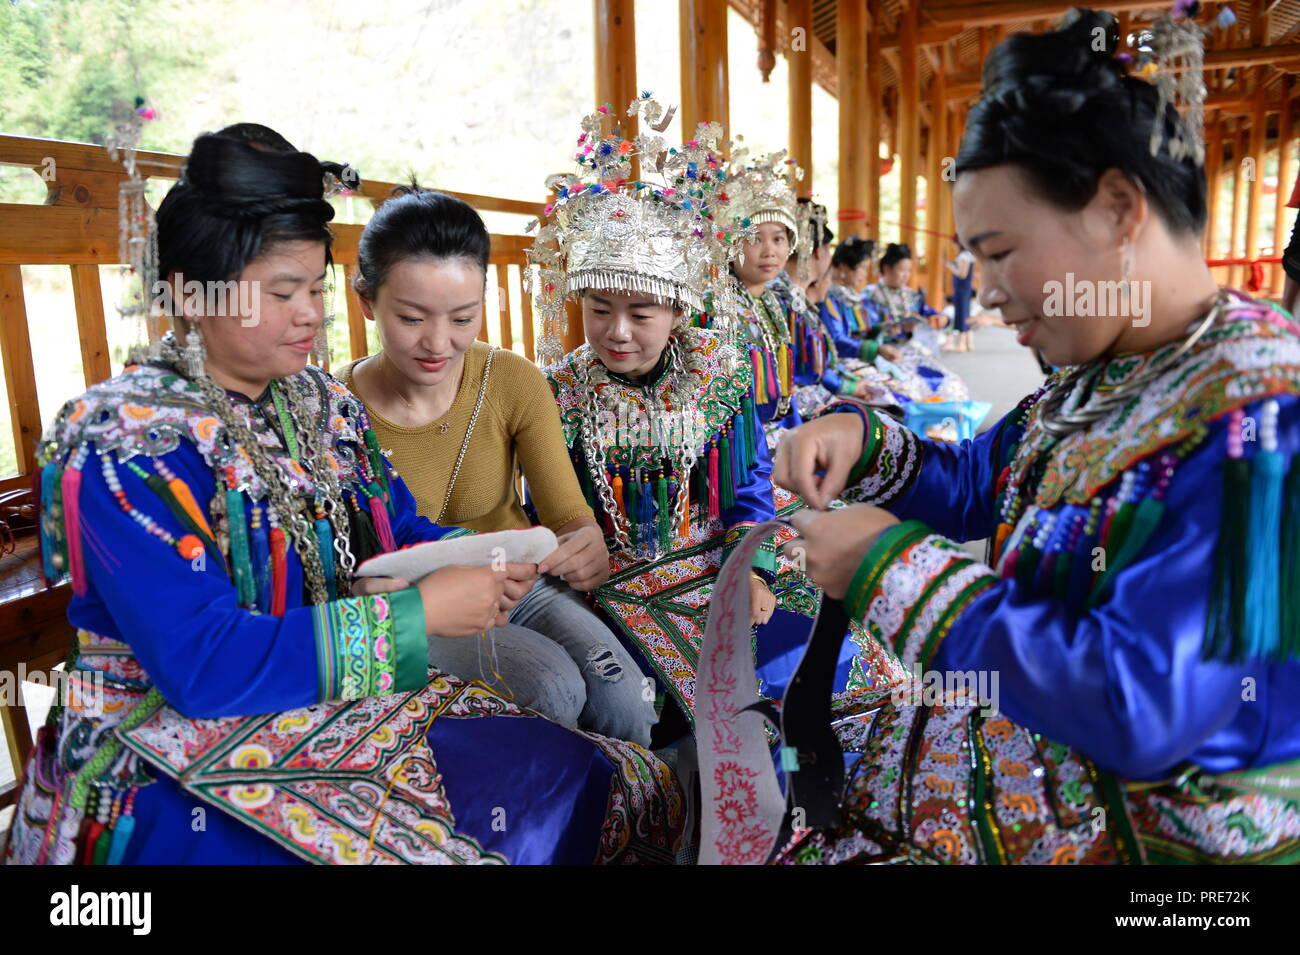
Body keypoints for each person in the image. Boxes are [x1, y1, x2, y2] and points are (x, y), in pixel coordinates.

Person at [3, 125, 682, 866]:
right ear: (184, 295)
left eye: (314, 288)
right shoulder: (122, 441)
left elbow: (391, 526)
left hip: (332, 693)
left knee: (586, 776)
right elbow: (199, 665)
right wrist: (416, 618)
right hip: (165, 732)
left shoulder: (320, 404)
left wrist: (479, 557)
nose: (307, 314)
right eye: (280, 292)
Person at [769, 9, 1300, 865]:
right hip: (1041, 766)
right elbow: (982, 483)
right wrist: (863, 440)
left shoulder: (1264, 417)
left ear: (1119, 207)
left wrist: (890, 568)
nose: (986, 293)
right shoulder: (1106, 367)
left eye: (1000, 251)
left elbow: (1144, 708)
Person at [531, 101, 900, 737]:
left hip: (718, 551)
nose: (617, 333)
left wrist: (752, 567)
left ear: (679, 311)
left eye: (642, 313)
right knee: (723, 703)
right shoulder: (556, 391)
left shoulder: (718, 377)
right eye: (598, 309)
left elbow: (747, 486)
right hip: (615, 579)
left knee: (835, 637)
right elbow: (550, 510)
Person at [337, 185, 655, 747]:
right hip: (417, 603)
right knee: (552, 688)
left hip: (518, 582)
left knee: (627, 698)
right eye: (412, 318)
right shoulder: (336, 409)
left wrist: (584, 544)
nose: (440, 342)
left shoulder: (510, 380)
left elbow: (568, 515)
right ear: (367, 301)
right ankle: (548, 826)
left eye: (463, 317)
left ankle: (632, 827)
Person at [944, 237, 976, 352]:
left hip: (962, 289)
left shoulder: (964, 256)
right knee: (966, 313)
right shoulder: (969, 255)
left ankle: (961, 344)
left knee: (962, 314)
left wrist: (951, 267)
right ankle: (968, 343)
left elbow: (962, 274)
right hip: (965, 289)